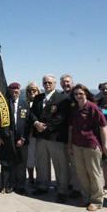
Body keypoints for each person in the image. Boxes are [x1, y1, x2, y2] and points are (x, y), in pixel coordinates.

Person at [67, 84, 107, 211]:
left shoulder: (92, 107)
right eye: (75, 94)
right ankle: (86, 197)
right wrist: (69, 145)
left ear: (86, 94)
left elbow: (103, 127)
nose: (78, 96)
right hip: (77, 145)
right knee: (81, 173)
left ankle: (96, 200)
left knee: (94, 173)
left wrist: (105, 146)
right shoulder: (74, 109)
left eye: (81, 93)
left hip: (91, 145)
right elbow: (70, 128)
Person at [29, 74, 71, 203]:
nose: (47, 84)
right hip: (40, 137)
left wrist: (46, 127)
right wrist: (36, 123)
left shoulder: (62, 98)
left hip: (55, 137)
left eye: (50, 82)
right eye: (45, 82)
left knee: (60, 165)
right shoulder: (38, 98)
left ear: (55, 84)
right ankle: (43, 186)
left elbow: (61, 117)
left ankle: (62, 190)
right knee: (42, 163)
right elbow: (32, 113)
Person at [0, 83, 30, 195]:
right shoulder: (4, 105)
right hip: (8, 138)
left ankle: (21, 186)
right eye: (12, 92)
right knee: (9, 162)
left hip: (21, 138)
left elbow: (28, 123)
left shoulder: (25, 104)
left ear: (20, 92)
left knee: (21, 163)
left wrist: (23, 138)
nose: (14, 94)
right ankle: (11, 184)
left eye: (16, 92)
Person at [60, 74, 82, 200]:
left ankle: (77, 188)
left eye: (67, 82)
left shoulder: (77, 96)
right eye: (63, 82)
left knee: (75, 164)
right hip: (63, 135)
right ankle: (68, 184)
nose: (66, 84)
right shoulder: (60, 97)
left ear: (72, 83)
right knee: (64, 163)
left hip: (76, 136)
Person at [24, 82, 40, 187]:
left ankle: (40, 178)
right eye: (29, 90)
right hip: (28, 135)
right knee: (30, 158)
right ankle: (30, 178)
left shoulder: (42, 103)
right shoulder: (23, 103)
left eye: (34, 90)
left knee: (40, 158)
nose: (32, 92)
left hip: (40, 135)